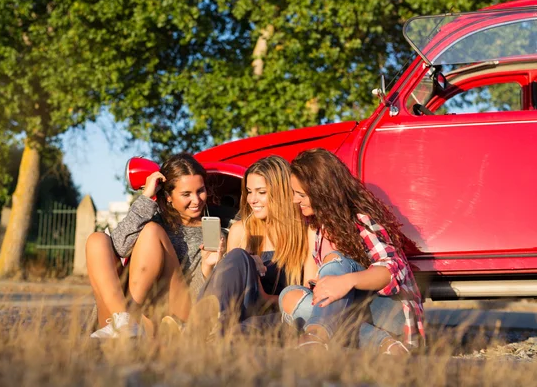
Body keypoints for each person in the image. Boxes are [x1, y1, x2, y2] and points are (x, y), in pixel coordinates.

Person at [279, 148, 425, 354]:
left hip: (391, 316)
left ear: (321, 191)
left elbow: (392, 270)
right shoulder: (318, 228)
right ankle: (385, 345)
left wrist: (346, 281)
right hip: (358, 318)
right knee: (290, 295)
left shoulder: (360, 220)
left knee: (337, 260)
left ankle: (315, 336)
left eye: (301, 194)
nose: (295, 200)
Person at [86, 153, 221, 338]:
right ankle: (123, 322)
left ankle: (129, 323)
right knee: (97, 240)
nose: (196, 200)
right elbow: (117, 247)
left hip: (176, 314)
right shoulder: (150, 217)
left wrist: (207, 269)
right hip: (127, 312)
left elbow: (203, 299)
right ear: (168, 196)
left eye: (200, 191)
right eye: (186, 194)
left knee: (152, 232)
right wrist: (146, 198)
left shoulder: (213, 232)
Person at [198, 155, 309, 328]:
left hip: (279, 320)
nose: (252, 199)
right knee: (238, 256)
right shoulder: (241, 231)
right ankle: (203, 328)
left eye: (261, 192)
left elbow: (306, 303)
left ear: (282, 193)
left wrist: (262, 294)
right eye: (249, 191)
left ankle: (198, 331)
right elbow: (228, 295)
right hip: (239, 313)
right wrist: (210, 268)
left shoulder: (304, 233)